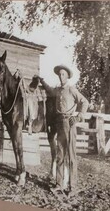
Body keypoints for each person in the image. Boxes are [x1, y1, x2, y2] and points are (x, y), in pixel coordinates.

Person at [37, 65, 88, 193]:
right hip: (59, 123)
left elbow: (84, 102)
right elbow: (49, 90)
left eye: (63, 74)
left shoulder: (71, 90)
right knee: (60, 154)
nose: (61, 76)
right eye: (59, 74)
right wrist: (41, 80)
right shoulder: (58, 90)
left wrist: (79, 116)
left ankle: (73, 187)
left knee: (71, 156)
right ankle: (59, 184)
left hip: (69, 123)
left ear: (67, 76)